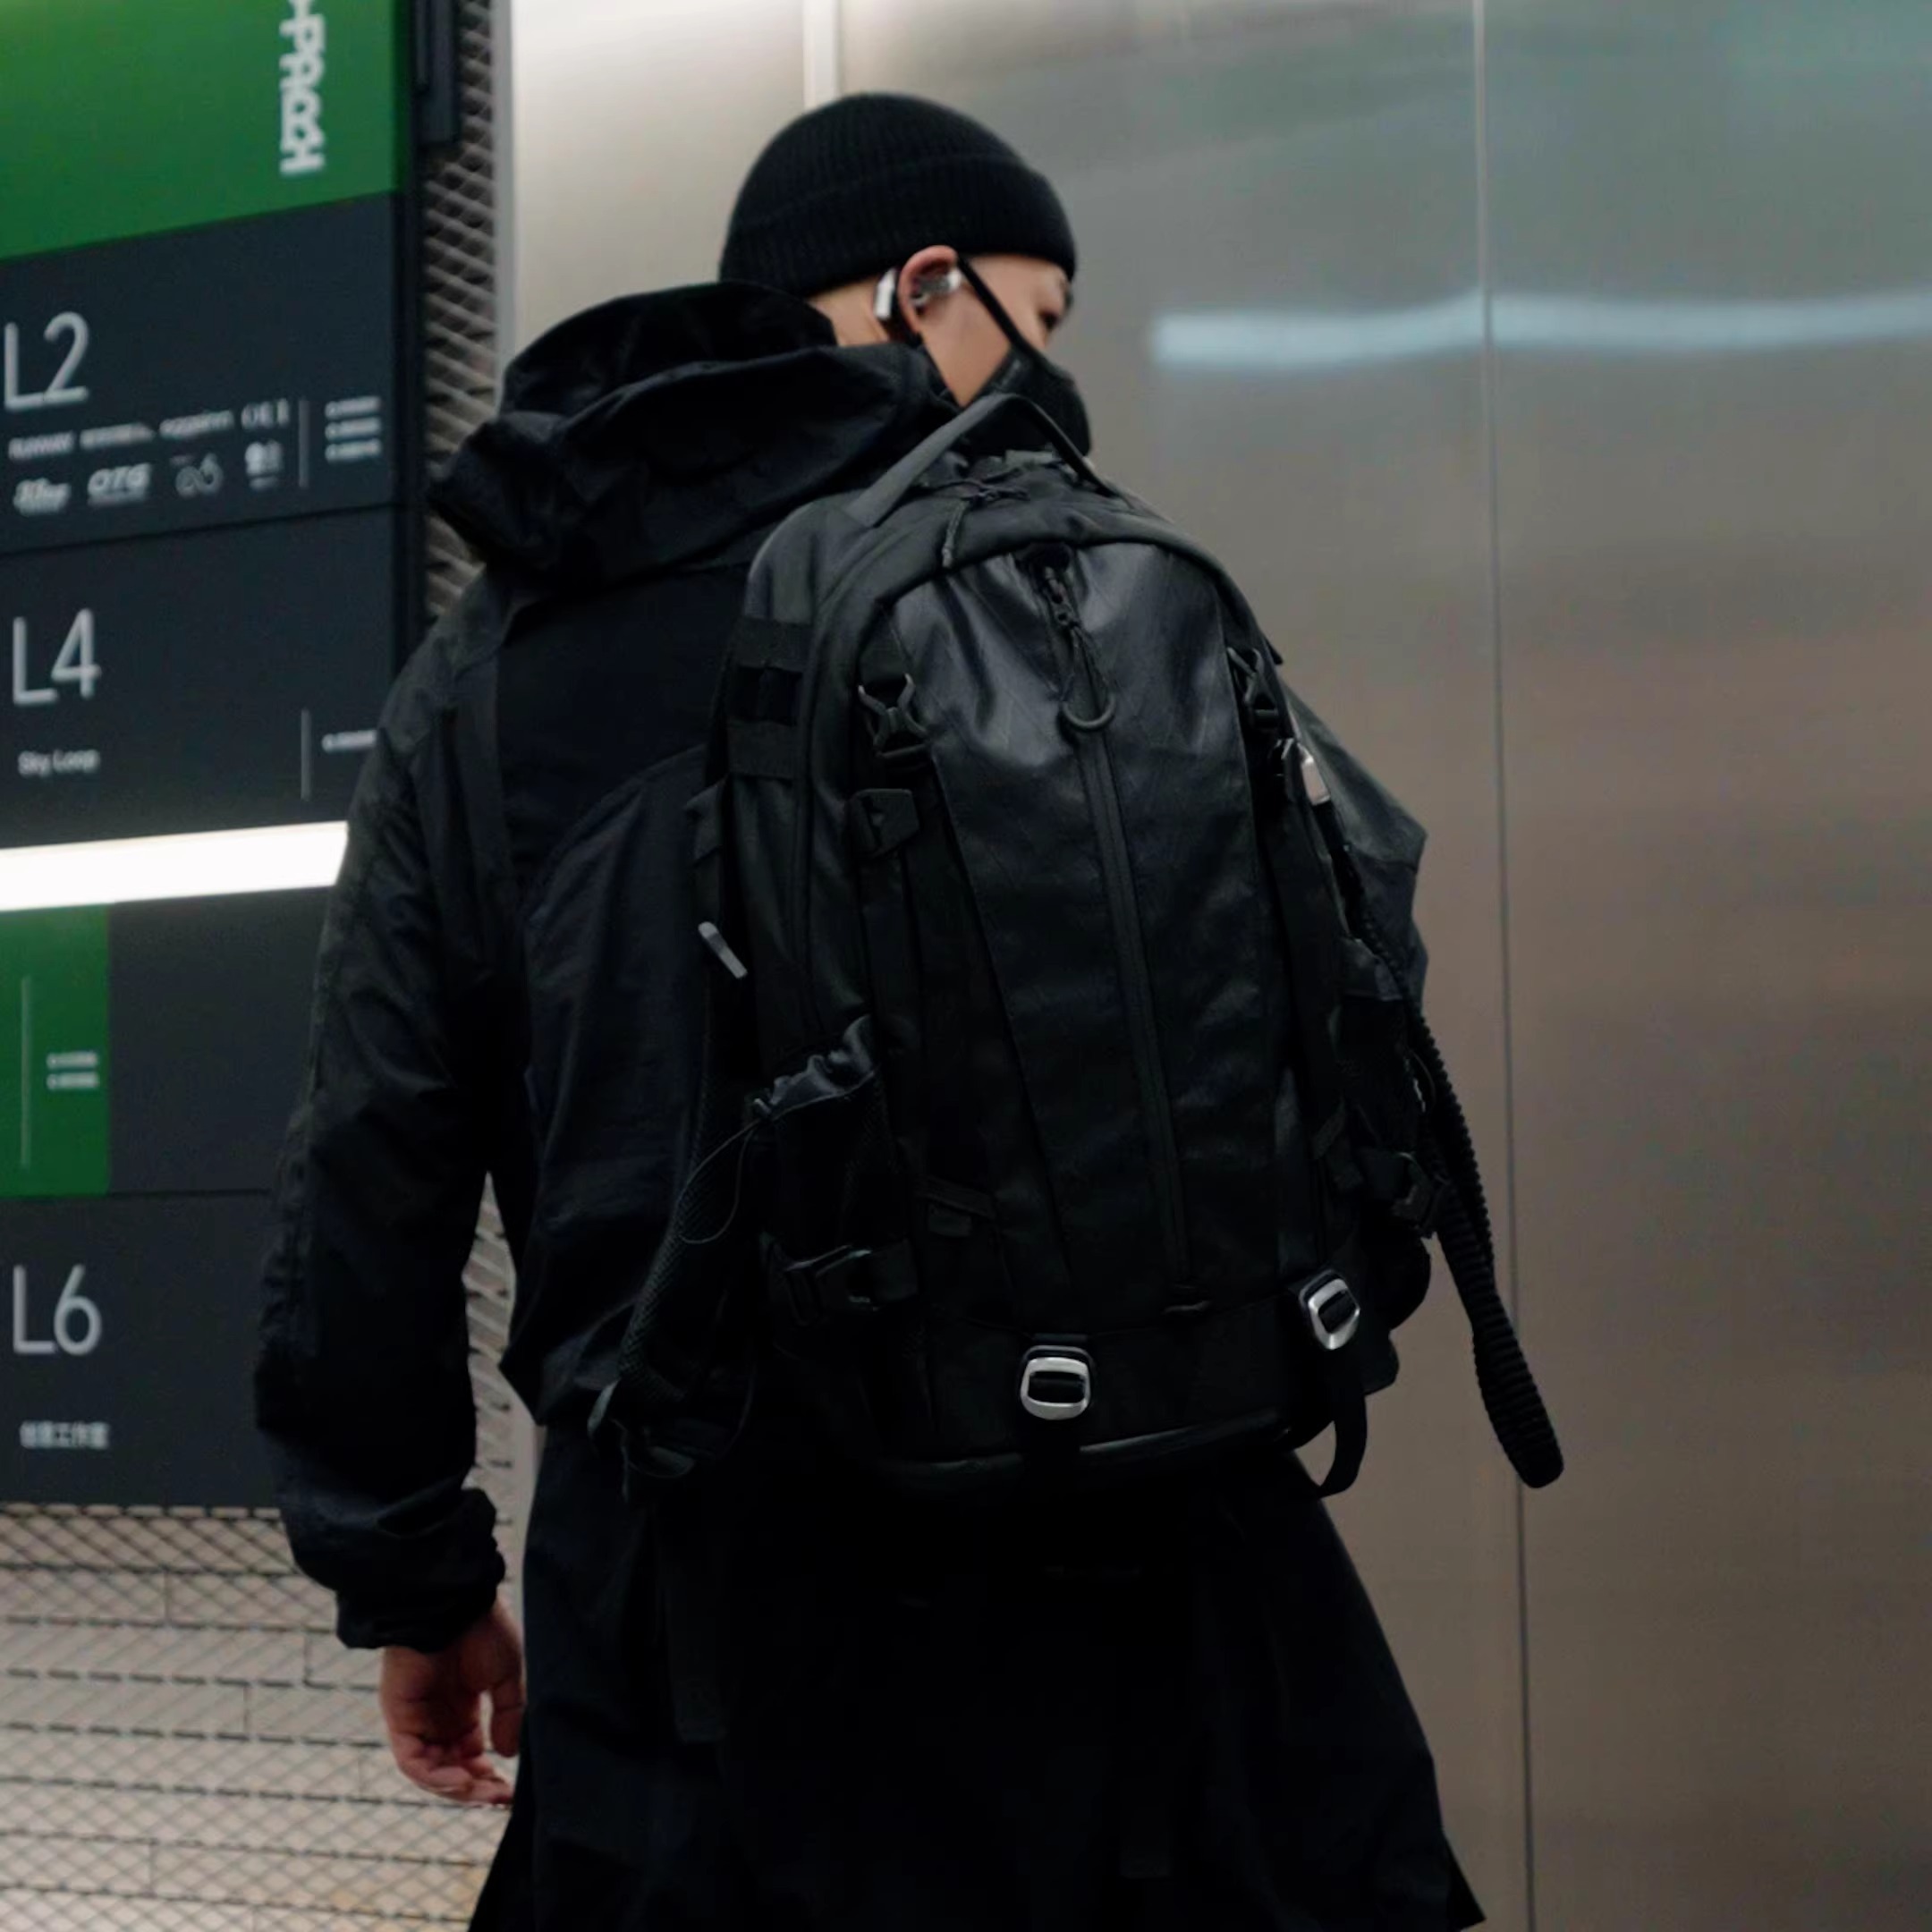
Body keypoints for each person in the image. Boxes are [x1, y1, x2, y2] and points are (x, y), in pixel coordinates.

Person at [258, 93, 1480, 1930]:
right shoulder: (1080, 588)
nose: (1048, 376)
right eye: (1034, 318)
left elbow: (372, 1161)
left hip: (715, 1637)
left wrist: (415, 1579)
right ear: (920, 287)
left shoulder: (495, 668)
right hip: (1156, 1571)